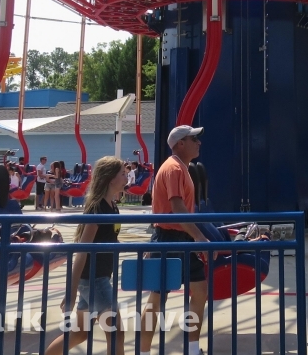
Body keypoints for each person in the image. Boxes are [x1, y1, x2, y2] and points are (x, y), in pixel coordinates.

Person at [45, 156, 128, 355]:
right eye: (123, 174)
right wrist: (71, 291)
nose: (127, 177)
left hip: (96, 279)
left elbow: (109, 238)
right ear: (110, 179)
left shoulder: (112, 207)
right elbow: (82, 250)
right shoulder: (97, 208)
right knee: (116, 331)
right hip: (94, 280)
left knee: (80, 333)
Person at [139, 126, 210, 355]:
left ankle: (191, 348)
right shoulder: (174, 169)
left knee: (199, 291)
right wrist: (199, 237)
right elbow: (176, 207)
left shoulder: (182, 168)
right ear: (181, 143)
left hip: (181, 238)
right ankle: (144, 350)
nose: (198, 142)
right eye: (194, 139)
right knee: (157, 299)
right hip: (169, 239)